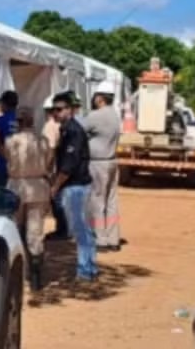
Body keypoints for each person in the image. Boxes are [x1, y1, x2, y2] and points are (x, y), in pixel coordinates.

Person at [49, 91, 98, 282]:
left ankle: (85, 270)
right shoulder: (66, 129)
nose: (56, 113)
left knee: (80, 230)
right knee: (83, 229)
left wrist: (55, 186)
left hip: (76, 185)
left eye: (60, 109)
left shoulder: (74, 131)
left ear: (70, 110)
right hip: (76, 185)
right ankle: (89, 267)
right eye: (54, 110)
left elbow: (68, 165)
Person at [5, 108, 52, 291]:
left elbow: (8, 158)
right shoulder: (43, 142)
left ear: (19, 122)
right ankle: (36, 276)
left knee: (16, 229)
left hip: (17, 186)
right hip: (38, 187)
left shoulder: (11, 141)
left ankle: (21, 271)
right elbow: (49, 161)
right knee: (36, 231)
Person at [86, 82, 123, 252]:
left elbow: (80, 131)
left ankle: (101, 239)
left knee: (97, 201)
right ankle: (113, 239)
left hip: (98, 162)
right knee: (112, 201)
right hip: (112, 161)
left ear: (99, 98)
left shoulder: (95, 116)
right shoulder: (115, 116)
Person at [42, 94, 70, 241]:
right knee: (60, 198)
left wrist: (47, 169)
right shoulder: (61, 125)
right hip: (59, 165)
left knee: (56, 199)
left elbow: (51, 150)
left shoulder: (50, 126)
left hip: (53, 167)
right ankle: (64, 228)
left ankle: (62, 229)